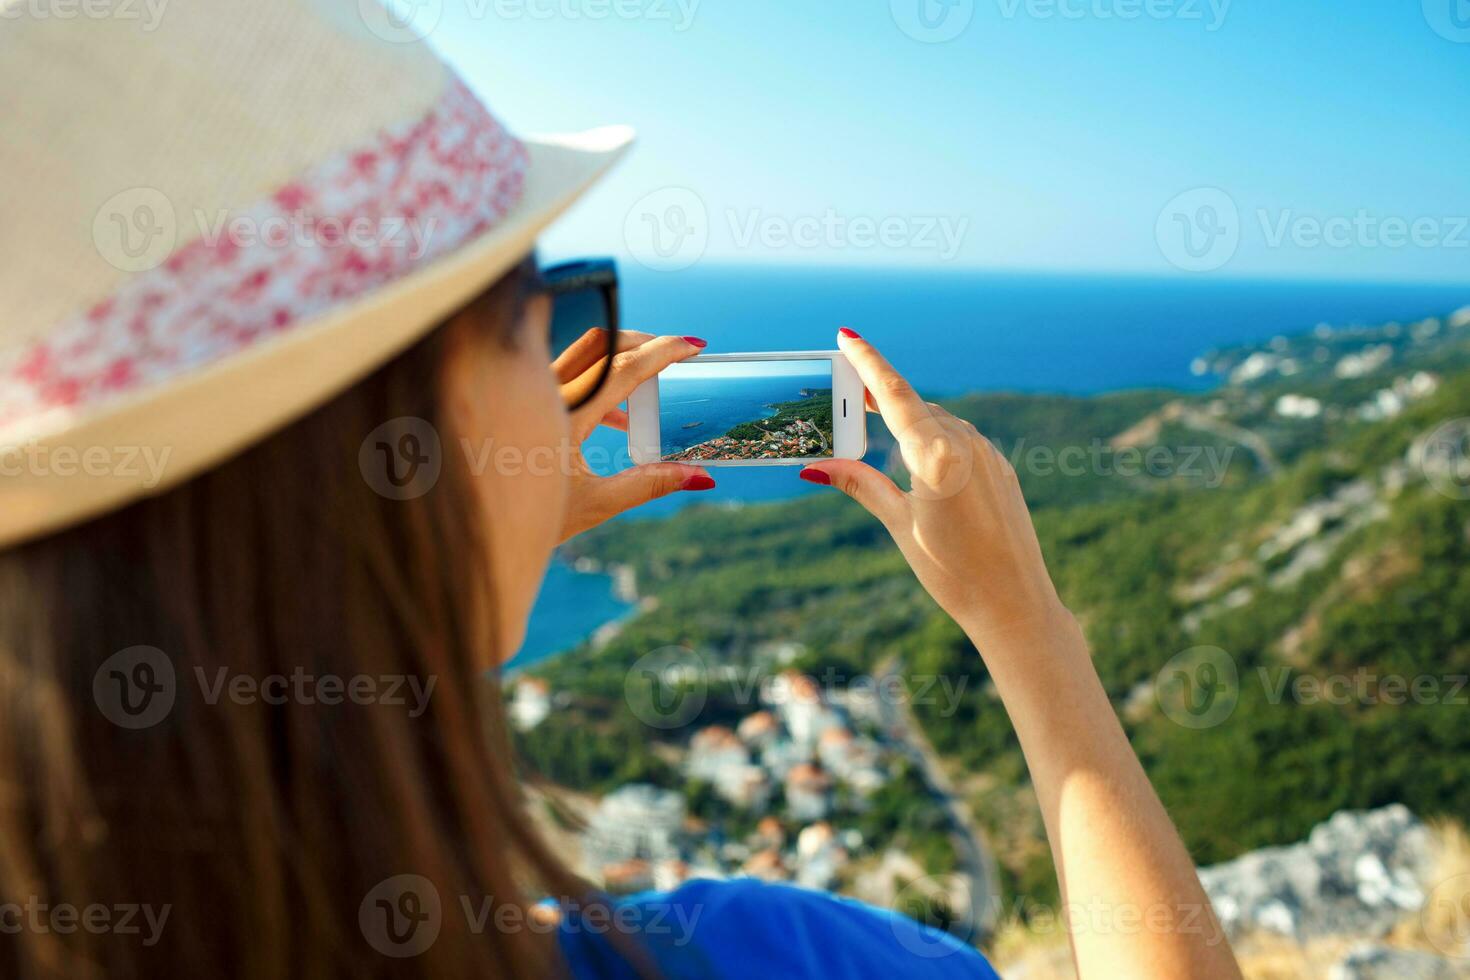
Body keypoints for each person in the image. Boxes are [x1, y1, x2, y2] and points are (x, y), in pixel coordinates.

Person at [0, 2, 1241, 978]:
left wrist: (447, 564)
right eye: (542, 306)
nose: (566, 363)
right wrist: (1031, 634)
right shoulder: (751, 959)